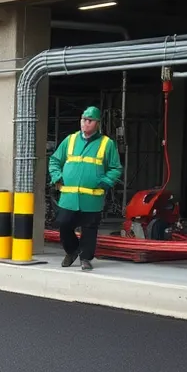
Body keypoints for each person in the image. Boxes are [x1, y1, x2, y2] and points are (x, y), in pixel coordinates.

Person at [48, 106, 123, 271]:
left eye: (89, 121)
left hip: (92, 198)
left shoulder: (106, 144)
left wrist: (105, 181)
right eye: (83, 120)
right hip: (69, 197)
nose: (85, 123)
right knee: (64, 225)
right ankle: (73, 250)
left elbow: (115, 168)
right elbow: (54, 161)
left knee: (89, 229)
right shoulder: (70, 140)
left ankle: (86, 258)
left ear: (97, 123)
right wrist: (57, 177)